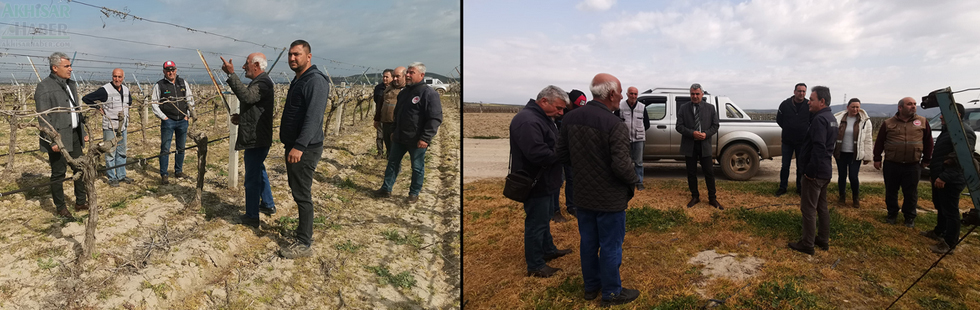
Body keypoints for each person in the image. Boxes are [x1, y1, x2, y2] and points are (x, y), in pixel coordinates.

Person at [557, 73, 640, 307]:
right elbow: (622, 166)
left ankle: (591, 287)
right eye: (621, 92)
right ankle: (612, 293)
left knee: (588, 242)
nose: (622, 96)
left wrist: (585, 168)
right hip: (610, 198)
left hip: (582, 195)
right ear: (611, 94)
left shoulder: (570, 119)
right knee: (611, 245)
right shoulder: (614, 124)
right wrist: (633, 181)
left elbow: (562, 155)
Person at [510, 85, 573, 278]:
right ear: (544, 101)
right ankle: (536, 265)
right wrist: (564, 153)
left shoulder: (542, 118)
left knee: (544, 219)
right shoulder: (528, 121)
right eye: (559, 108)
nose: (561, 113)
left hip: (546, 181)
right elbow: (537, 153)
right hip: (535, 182)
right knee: (536, 224)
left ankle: (548, 250)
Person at [279, 40, 330, 259]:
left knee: (302, 194)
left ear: (308, 56)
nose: (292, 58)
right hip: (295, 145)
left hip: (305, 148)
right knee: (298, 190)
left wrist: (299, 146)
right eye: (290, 55)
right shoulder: (299, 79)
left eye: (297, 54)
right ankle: (303, 234)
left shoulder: (315, 81)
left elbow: (313, 117)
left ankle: (304, 243)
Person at [220, 53, 277, 228]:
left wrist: (231, 74)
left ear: (256, 65)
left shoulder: (263, 83)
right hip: (257, 136)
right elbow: (254, 105)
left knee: (252, 178)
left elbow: (247, 97)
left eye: (246, 64)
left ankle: (252, 216)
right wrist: (242, 118)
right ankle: (267, 204)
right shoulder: (261, 82)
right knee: (259, 169)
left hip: (256, 138)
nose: (243, 67)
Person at [374, 62, 443, 203]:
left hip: (417, 139)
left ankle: (414, 193)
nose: (408, 75)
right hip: (399, 137)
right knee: (392, 163)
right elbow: (397, 114)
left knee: (417, 167)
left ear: (421, 75)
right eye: (408, 72)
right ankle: (386, 188)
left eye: (412, 73)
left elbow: (435, 118)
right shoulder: (404, 93)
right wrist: (393, 130)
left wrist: (426, 138)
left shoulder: (429, 93)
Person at [35, 52, 88, 219]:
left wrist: (83, 132)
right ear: (55, 68)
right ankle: (60, 207)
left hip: (74, 134)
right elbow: (44, 118)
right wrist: (53, 141)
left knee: (80, 168)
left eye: (70, 65)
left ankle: (80, 201)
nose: (71, 69)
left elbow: (76, 110)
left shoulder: (70, 84)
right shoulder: (44, 87)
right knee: (59, 173)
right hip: (58, 137)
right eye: (67, 66)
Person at [788, 86, 838, 255]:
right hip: (825, 171)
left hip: (815, 172)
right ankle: (823, 239)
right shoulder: (831, 117)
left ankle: (807, 243)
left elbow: (819, 147)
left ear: (822, 101)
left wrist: (810, 171)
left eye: (812, 99)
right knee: (821, 207)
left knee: (808, 209)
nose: (809, 102)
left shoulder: (819, 119)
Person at [921, 103, 975, 254]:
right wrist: (934, 174)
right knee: (941, 206)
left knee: (951, 211)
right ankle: (939, 231)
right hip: (940, 175)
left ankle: (949, 243)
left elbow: (961, 159)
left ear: (956, 115)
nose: (941, 116)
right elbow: (941, 156)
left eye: (944, 113)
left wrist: (944, 177)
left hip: (951, 179)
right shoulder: (949, 130)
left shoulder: (965, 132)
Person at [873, 97, 933, 227]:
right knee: (891, 191)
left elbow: (929, 142)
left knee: (911, 192)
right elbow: (880, 141)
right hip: (892, 163)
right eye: (909, 104)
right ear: (900, 107)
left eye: (914, 104)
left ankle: (909, 217)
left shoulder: (922, 122)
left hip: (912, 164)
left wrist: (927, 159)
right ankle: (892, 213)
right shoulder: (888, 123)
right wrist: (877, 158)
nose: (913, 106)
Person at [82, 68, 133, 188]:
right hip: (110, 126)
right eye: (115, 76)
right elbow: (86, 98)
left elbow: (129, 102)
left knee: (121, 151)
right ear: (112, 76)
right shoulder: (105, 90)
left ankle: (121, 175)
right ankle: (112, 177)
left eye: (120, 77)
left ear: (123, 77)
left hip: (123, 126)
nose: (117, 79)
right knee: (110, 152)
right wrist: (97, 107)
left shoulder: (126, 90)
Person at [676, 83, 722, 210]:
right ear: (690, 94)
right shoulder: (683, 108)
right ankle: (695, 196)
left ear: (702, 94)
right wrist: (692, 133)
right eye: (692, 94)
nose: (695, 96)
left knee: (709, 172)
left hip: (705, 145)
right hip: (689, 145)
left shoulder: (710, 108)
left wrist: (706, 134)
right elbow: (678, 126)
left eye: (697, 94)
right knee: (691, 173)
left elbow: (716, 126)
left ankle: (712, 198)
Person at [151, 60, 195, 185]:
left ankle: (178, 171)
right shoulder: (160, 85)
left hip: (182, 120)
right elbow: (154, 103)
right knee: (165, 148)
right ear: (164, 72)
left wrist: (188, 114)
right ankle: (164, 174)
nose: (171, 72)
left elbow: (190, 99)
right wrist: (164, 117)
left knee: (181, 148)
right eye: (168, 70)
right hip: (168, 121)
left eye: (173, 70)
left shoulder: (183, 82)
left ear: (176, 70)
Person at [552, 89, 588, 222]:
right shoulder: (558, 112)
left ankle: (572, 206)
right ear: (569, 103)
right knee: (558, 180)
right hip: (556, 151)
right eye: (576, 107)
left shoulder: (578, 114)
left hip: (571, 151)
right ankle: (554, 210)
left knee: (572, 178)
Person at [832, 98, 872, 207]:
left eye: (857, 107)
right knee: (842, 176)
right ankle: (842, 197)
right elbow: (832, 135)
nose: (855, 109)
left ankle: (855, 198)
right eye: (853, 107)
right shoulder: (838, 119)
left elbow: (868, 139)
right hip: (841, 153)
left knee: (853, 176)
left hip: (855, 154)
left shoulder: (865, 121)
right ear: (848, 107)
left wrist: (867, 156)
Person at [776, 83, 809, 196]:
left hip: (802, 142)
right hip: (787, 141)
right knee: (785, 166)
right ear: (794, 92)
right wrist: (788, 128)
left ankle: (800, 188)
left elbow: (813, 121)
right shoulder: (785, 104)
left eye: (804, 91)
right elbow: (779, 120)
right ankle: (783, 187)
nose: (801, 93)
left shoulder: (808, 105)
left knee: (801, 166)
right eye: (799, 91)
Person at [614, 86, 650, 190]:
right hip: (624, 139)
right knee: (625, 162)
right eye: (631, 93)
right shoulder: (620, 107)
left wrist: (638, 132)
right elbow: (616, 122)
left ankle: (639, 182)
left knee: (638, 162)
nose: (633, 96)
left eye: (635, 94)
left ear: (637, 95)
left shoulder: (642, 107)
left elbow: (646, 124)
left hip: (639, 139)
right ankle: (627, 181)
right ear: (627, 94)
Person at [377, 66, 406, 162]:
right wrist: (377, 119)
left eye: (397, 76)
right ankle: (390, 163)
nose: (394, 79)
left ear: (404, 76)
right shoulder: (388, 89)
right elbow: (380, 104)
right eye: (393, 76)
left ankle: (395, 167)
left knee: (396, 149)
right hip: (386, 122)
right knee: (388, 146)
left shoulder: (407, 90)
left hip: (397, 125)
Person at [372, 69, 393, 158]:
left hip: (391, 117)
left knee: (390, 136)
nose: (384, 79)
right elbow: (376, 100)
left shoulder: (395, 89)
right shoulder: (378, 88)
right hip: (380, 115)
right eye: (383, 76)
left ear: (392, 77)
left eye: (387, 77)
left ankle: (390, 153)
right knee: (380, 135)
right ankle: (380, 153)